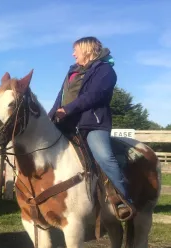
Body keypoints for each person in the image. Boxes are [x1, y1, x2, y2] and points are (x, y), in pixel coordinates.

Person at [48, 36, 134, 220]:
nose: (73, 54)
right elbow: (60, 97)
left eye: (76, 50)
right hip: (67, 123)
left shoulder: (105, 71)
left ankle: (122, 199)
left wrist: (68, 109)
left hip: (92, 124)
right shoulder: (72, 71)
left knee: (104, 156)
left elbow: (94, 96)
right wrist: (50, 117)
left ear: (87, 50)